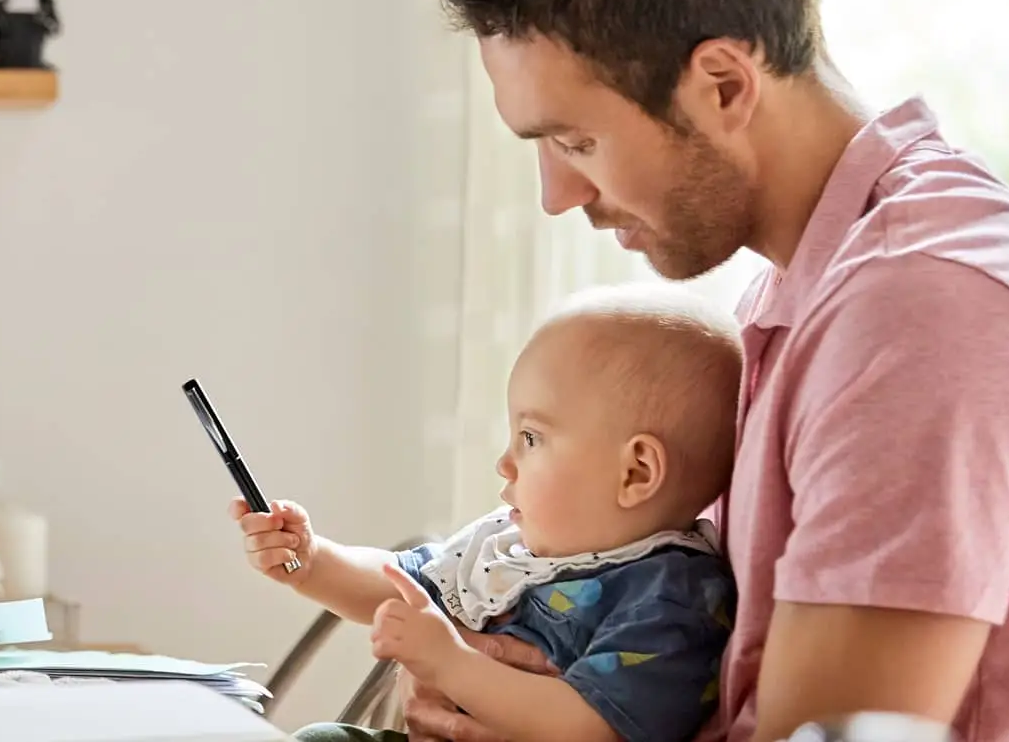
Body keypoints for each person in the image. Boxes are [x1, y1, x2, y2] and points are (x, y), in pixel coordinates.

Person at [401, 0, 1009, 742]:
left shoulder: (923, 314)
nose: (559, 195)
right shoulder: (819, 286)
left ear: (722, 84)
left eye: (577, 140)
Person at [236, 285, 743, 742]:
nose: (505, 462)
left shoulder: (673, 600)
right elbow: (400, 585)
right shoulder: (513, 542)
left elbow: (590, 724)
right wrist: (311, 559)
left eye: (530, 437)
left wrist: (452, 664)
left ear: (635, 472)